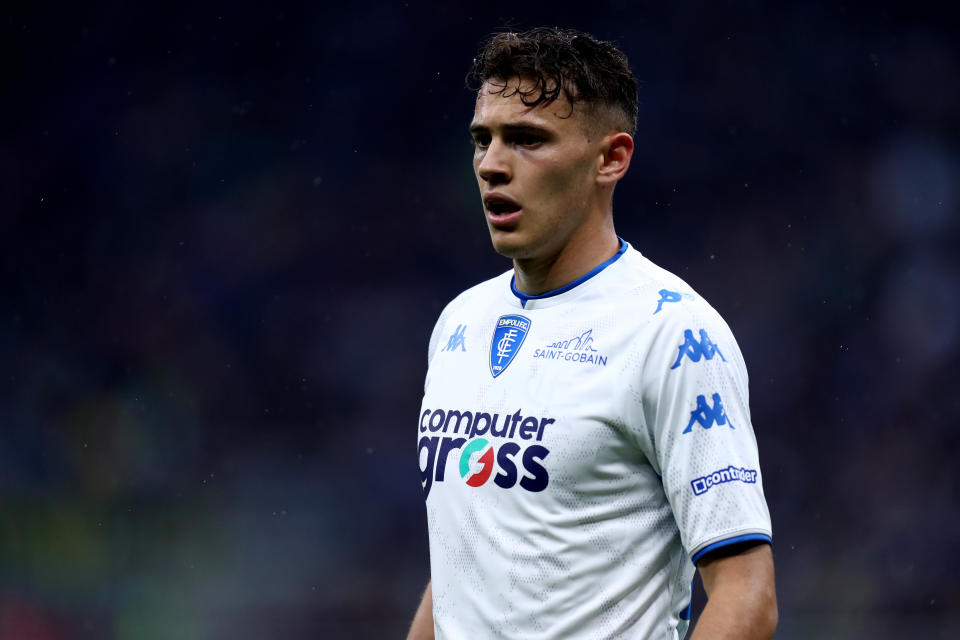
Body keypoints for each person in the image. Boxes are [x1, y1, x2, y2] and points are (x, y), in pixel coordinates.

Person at [408, 27, 776, 640]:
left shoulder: (673, 333)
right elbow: (461, 560)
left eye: (527, 140)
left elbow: (747, 598)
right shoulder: (459, 323)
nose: (492, 165)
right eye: (483, 140)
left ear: (611, 158)